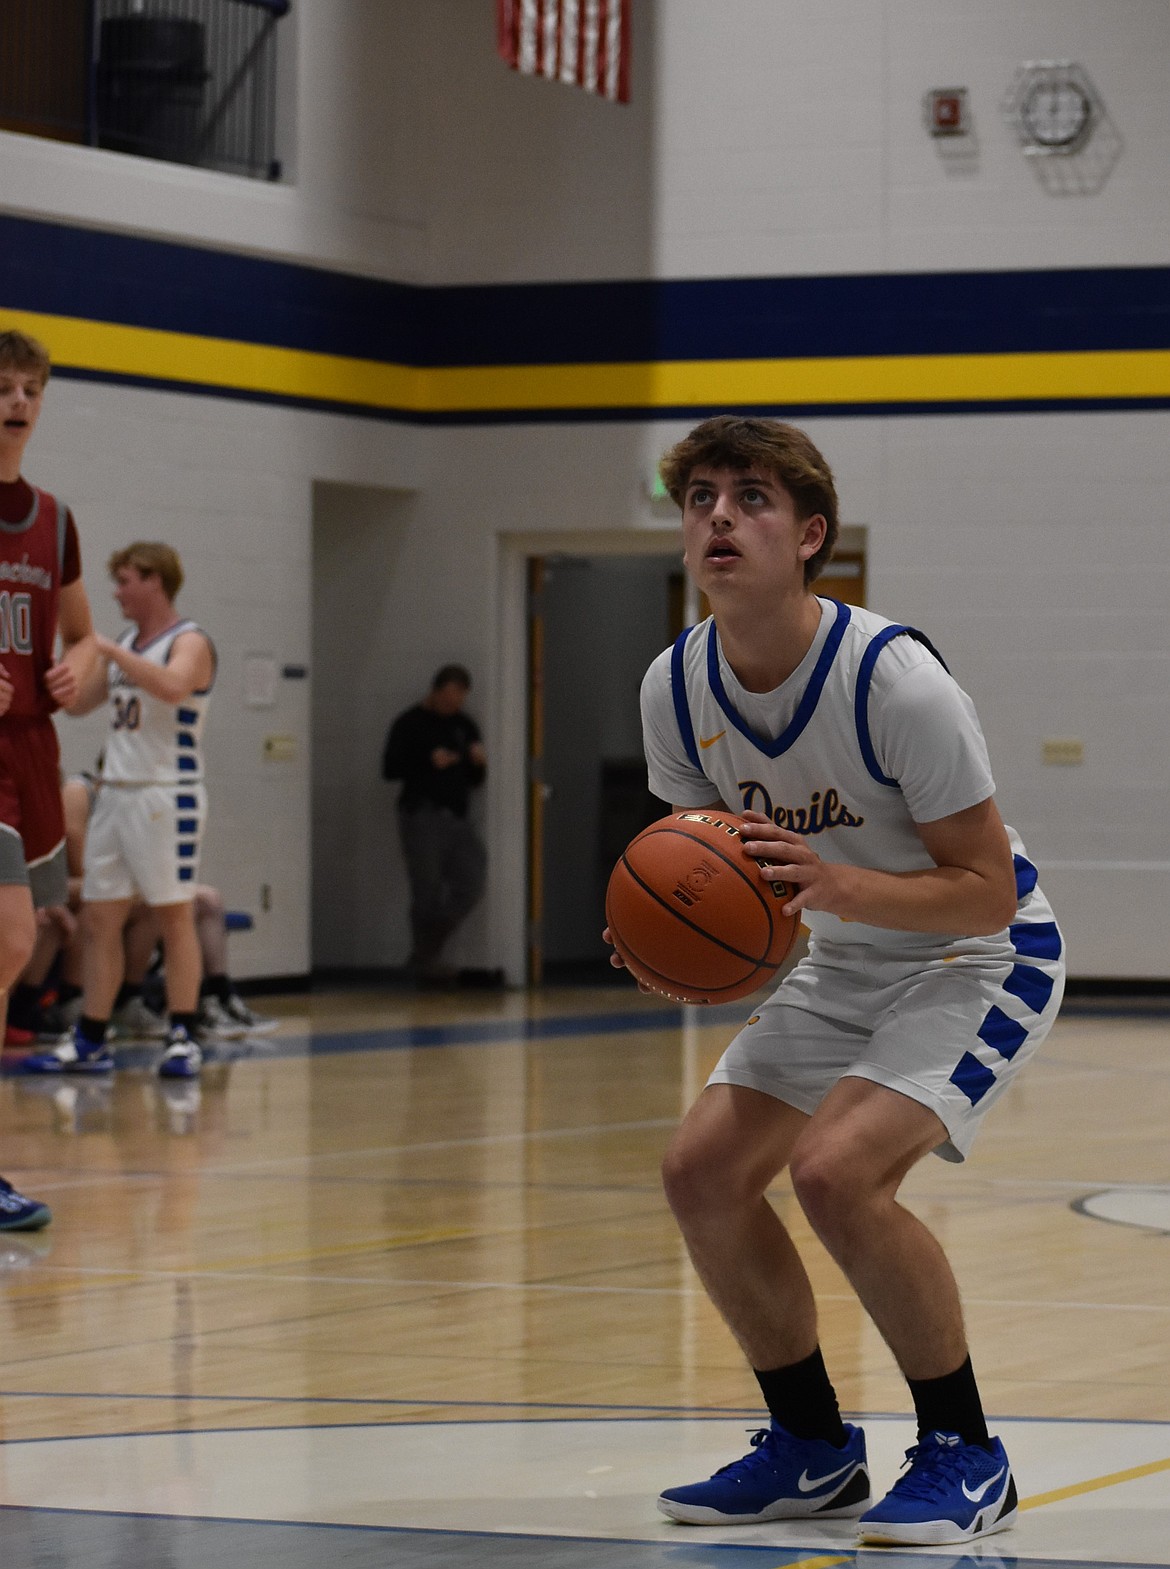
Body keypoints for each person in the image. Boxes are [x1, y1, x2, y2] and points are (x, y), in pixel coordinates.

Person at [613, 416, 1064, 1548]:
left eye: (752, 498)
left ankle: (967, 1455)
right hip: (847, 955)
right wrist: (665, 932)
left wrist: (838, 887)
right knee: (702, 1172)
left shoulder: (893, 680)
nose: (720, 515)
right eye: (701, 496)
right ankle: (811, 1449)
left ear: (809, 535)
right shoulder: (675, 689)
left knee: (835, 1175)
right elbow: (707, 869)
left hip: (979, 957)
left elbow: (984, 891)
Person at [24, 542, 216, 1081]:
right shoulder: (128, 643)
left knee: (172, 915)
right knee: (101, 920)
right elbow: (82, 704)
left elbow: (175, 687)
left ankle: (183, 1033)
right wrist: (58, 669)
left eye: (126, 579)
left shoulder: (190, 640)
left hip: (166, 792)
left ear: (156, 581)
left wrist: (108, 650)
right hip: (116, 791)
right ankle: (90, 1035)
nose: (117, 591)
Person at [0, 328, 99, 1228]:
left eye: (32, 387)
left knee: (14, 948)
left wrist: (77, 670)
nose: (19, 401)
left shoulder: (54, 518)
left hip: (32, 748)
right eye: (5, 385)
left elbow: (83, 640)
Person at [381, 664, 490, 985]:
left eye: (459, 700)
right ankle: (427, 962)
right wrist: (428, 762)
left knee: (472, 883)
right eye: (448, 699)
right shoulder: (409, 723)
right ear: (435, 691)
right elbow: (389, 769)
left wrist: (478, 764)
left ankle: (424, 951)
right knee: (426, 890)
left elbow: (476, 779)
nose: (452, 706)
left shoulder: (464, 725)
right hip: (422, 814)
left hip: (456, 816)